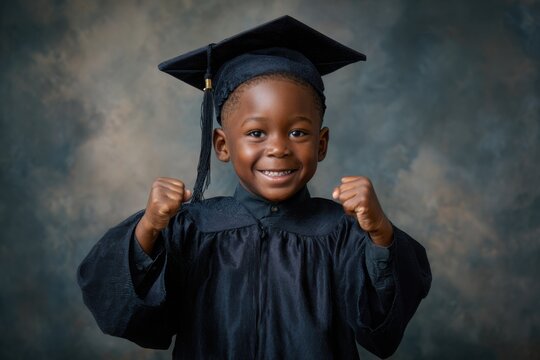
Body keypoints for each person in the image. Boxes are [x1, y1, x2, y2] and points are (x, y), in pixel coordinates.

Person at [77, 15, 431, 359]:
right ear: (222, 145)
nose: (278, 147)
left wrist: (381, 234)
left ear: (321, 144)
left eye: (298, 132)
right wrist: (149, 228)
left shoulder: (342, 231)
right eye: (256, 133)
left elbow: (380, 330)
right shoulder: (190, 228)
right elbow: (127, 316)